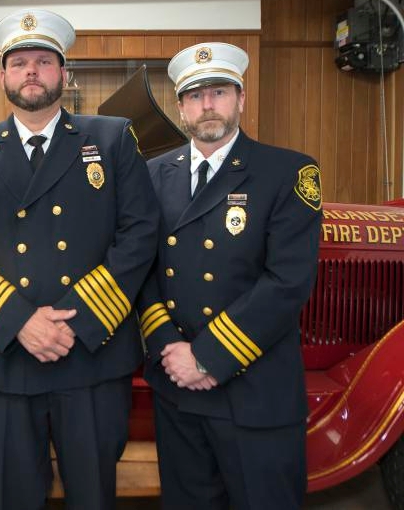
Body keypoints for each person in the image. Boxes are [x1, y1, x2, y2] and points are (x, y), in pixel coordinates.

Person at [0, 9, 161, 510]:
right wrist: (19, 321)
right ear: (3, 77)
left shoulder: (111, 138)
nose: (31, 71)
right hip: (6, 357)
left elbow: (140, 231)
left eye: (43, 61)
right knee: (12, 496)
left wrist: (73, 321)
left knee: (93, 495)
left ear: (64, 73)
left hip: (91, 356)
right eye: (19, 63)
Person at [136, 42, 323, 509]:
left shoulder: (288, 172)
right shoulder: (152, 175)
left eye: (219, 92)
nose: (207, 105)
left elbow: (288, 281)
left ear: (241, 98)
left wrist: (207, 356)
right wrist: (170, 351)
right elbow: (142, 271)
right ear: (180, 107)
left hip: (253, 390)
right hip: (177, 388)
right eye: (196, 96)